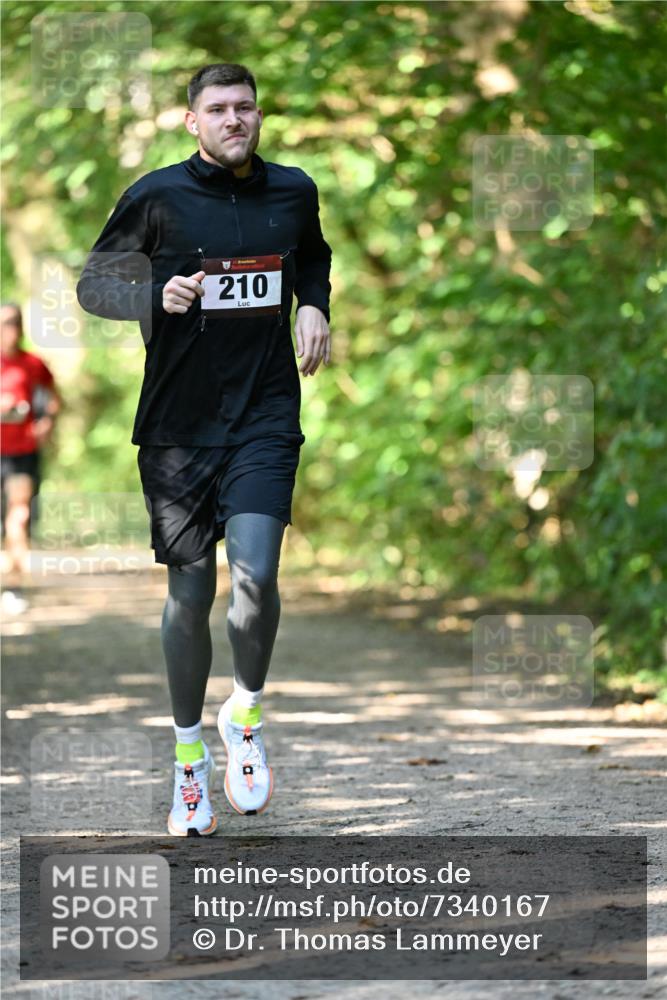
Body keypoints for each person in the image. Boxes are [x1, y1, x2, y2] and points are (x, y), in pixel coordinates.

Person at [77, 63, 332, 836]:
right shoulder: (155, 196)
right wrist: (156, 294)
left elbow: (311, 256)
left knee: (255, 577)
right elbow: (95, 286)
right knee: (190, 597)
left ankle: (244, 717)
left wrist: (314, 305)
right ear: (191, 121)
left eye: (245, 108)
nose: (234, 120)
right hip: (177, 431)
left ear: (258, 117)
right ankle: (188, 758)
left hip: (264, 415)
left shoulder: (293, 191)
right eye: (218, 109)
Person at [1, 303, 61, 615]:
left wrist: (46, 422)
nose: (9, 328)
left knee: (18, 516)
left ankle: (13, 586)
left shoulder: (33, 364)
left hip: (22, 452)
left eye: (14, 322)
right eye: (4, 323)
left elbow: (52, 398)